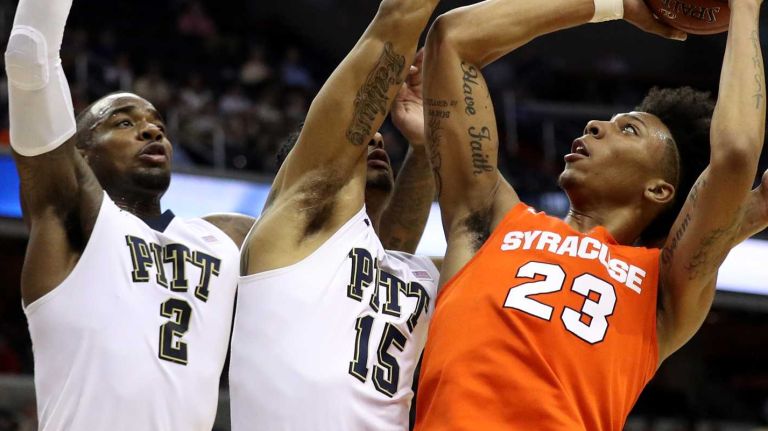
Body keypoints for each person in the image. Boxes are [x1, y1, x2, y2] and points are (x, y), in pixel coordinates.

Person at [413, 0, 764, 429]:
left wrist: (745, 8)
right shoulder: (492, 220)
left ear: (659, 189)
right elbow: (451, 40)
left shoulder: (662, 285)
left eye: (628, 129)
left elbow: (735, 155)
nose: (595, 125)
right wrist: (615, 5)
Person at [4, 0, 254, 429]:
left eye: (157, 123)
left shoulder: (224, 237)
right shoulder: (70, 222)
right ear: (81, 154)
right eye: (122, 123)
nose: (151, 129)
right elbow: (29, 54)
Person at [230, 0, 441, 429]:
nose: (376, 139)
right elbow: (392, 23)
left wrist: (423, 149)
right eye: (362, 143)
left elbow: (394, 245)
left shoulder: (397, 270)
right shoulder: (290, 237)